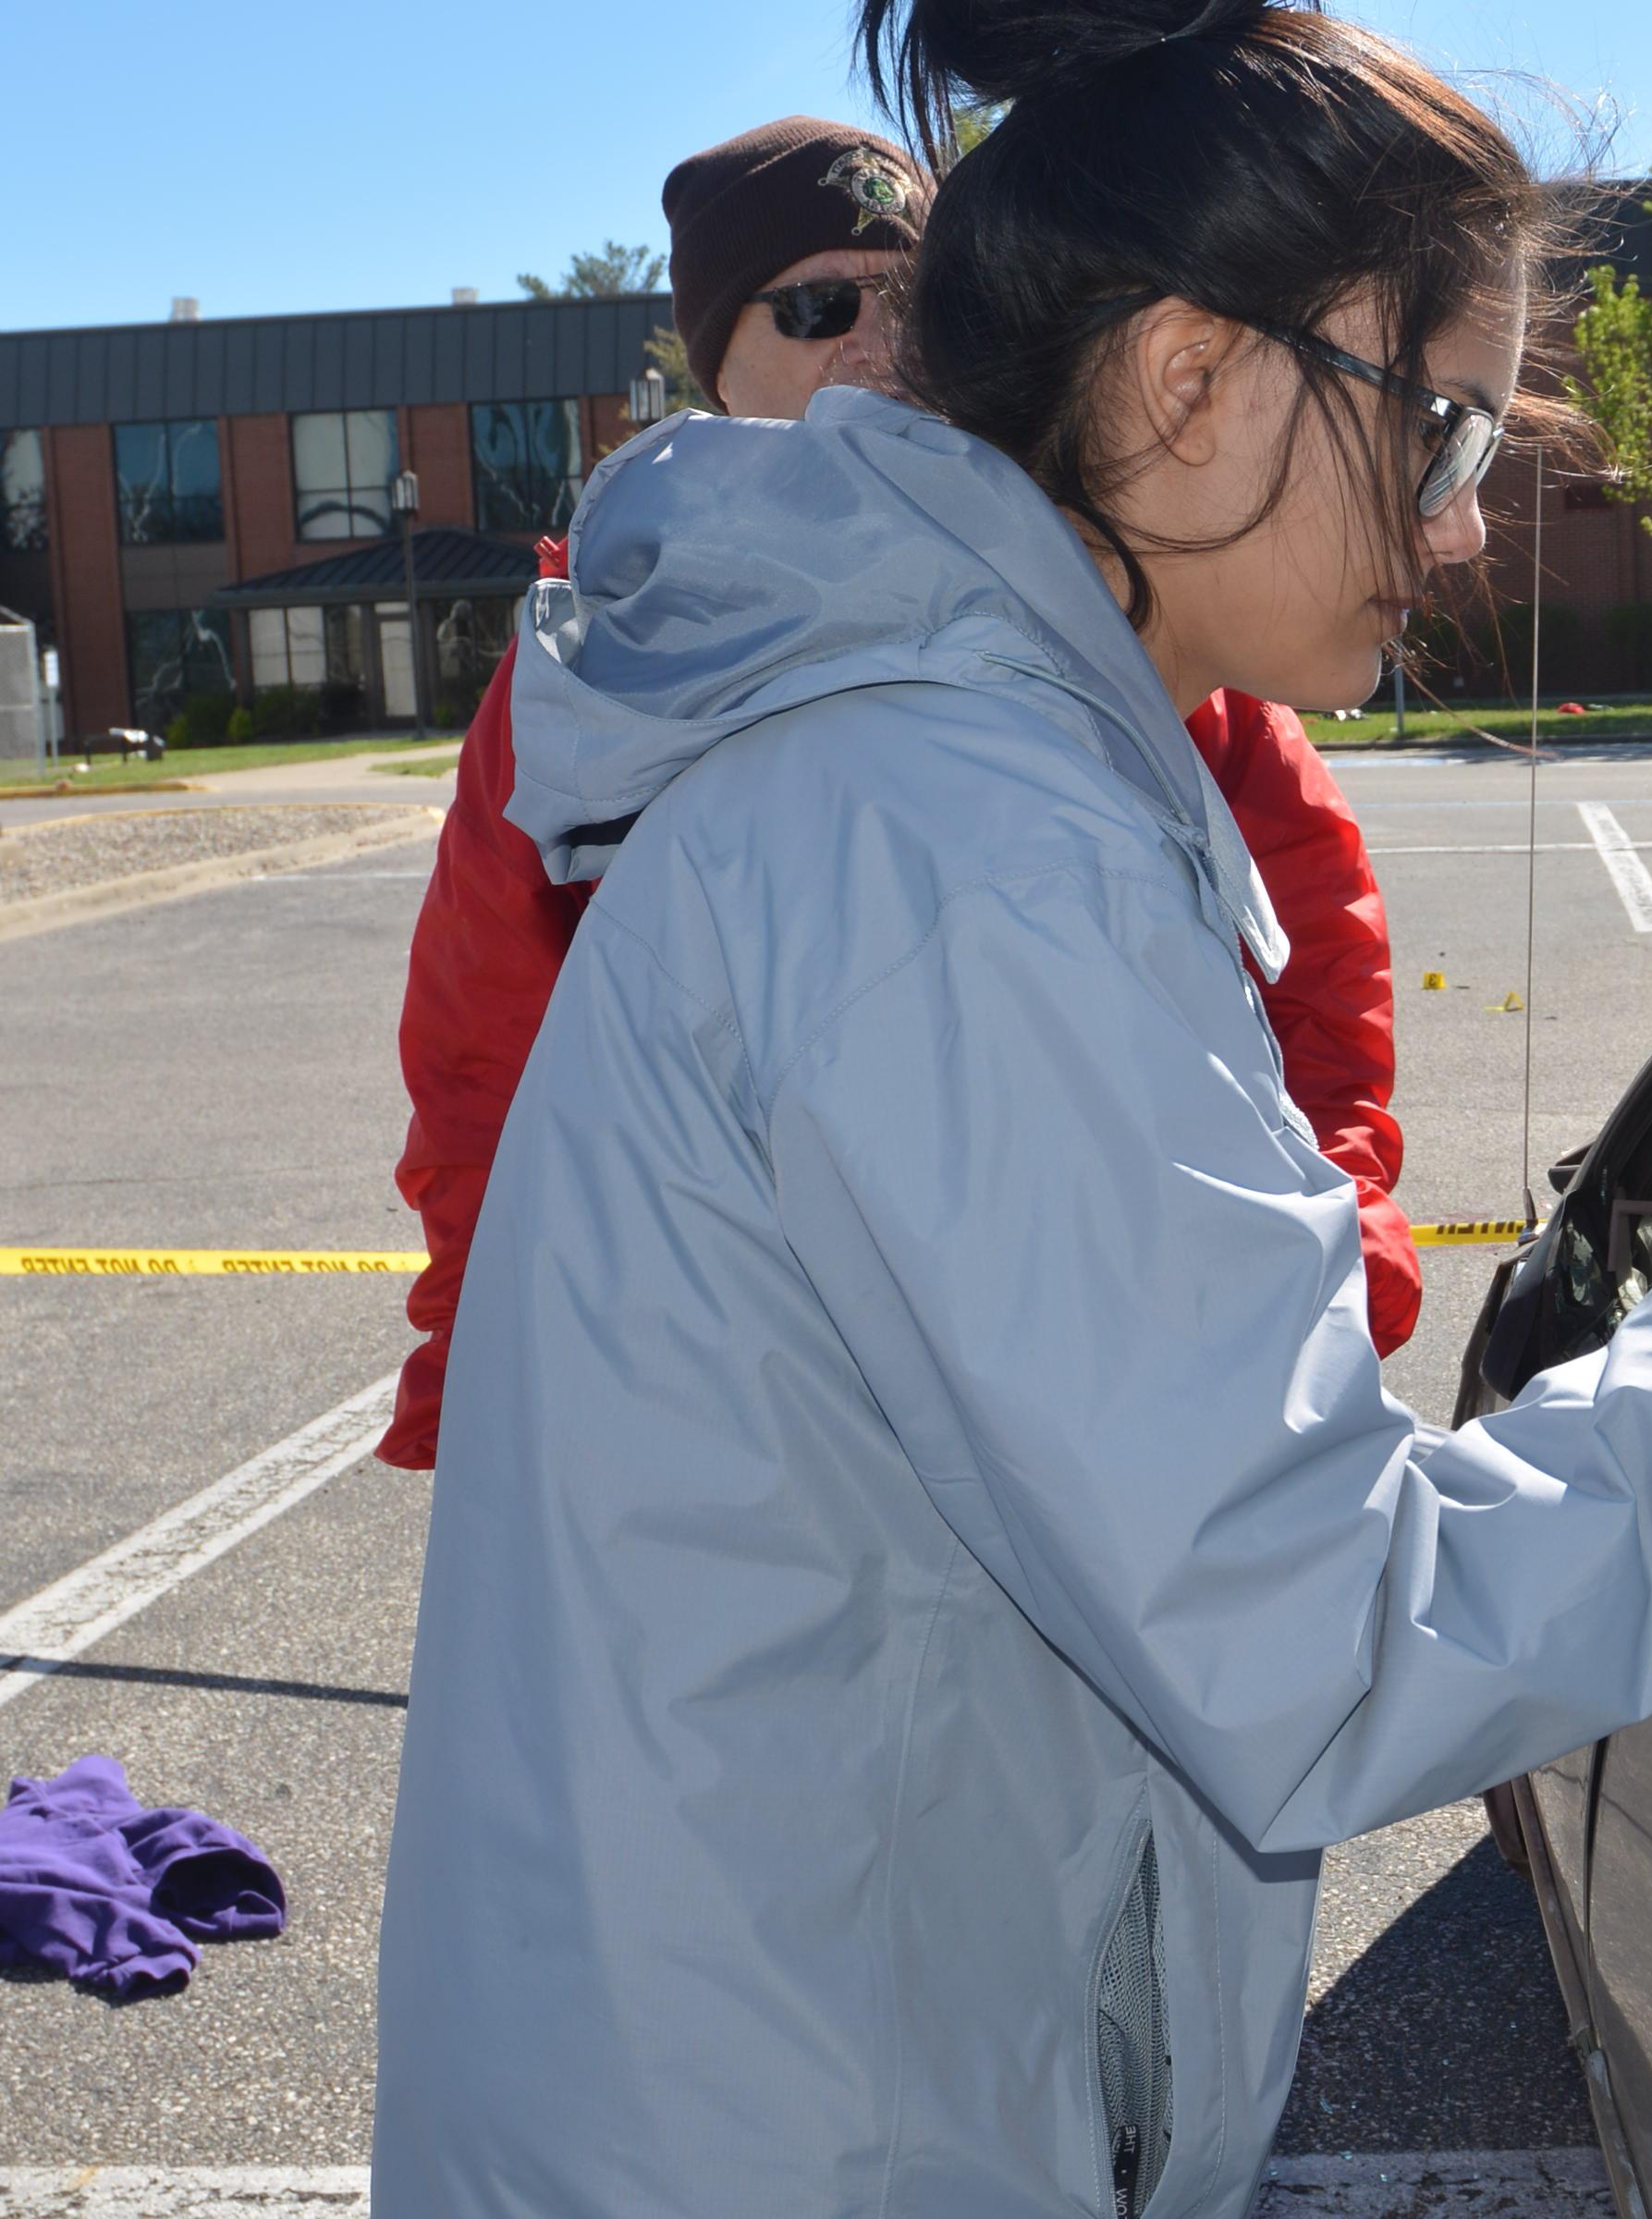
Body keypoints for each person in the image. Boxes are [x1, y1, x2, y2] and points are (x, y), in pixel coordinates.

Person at [368, 6, 1652, 2213]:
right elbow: (1331, 1635)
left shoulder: (957, 781)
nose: (1449, 538)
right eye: (1435, 435)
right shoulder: (956, 849)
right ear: (1186, 380)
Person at [376, 119, 1418, 1474]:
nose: (878, 346)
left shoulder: (1124, 604)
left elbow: (1320, 966)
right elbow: (485, 1058)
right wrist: (492, 1373)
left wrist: (1341, 1250)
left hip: (1111, 1407)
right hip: (754, 1436)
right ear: (716, 367)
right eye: (817, 309)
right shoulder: (599, 664)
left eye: (914, 301)